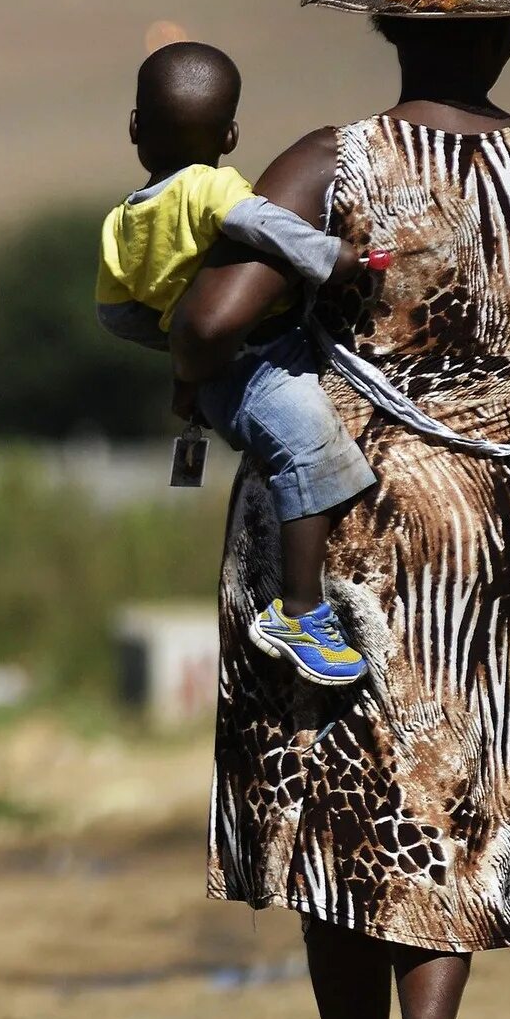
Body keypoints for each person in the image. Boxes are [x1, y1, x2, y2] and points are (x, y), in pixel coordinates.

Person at [173, 0, 510, 1019]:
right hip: (490, 513)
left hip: (349, 510)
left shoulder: (334, 161)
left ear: (396, 26)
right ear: (508, 41)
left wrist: (207, 328)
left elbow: (216, 315)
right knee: (456, 790)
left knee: (342, 798)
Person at [97, 39, 379, 686]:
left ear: (136, 128)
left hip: (216, 381)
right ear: (230, 134)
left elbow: (114, 316)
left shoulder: (121, 221)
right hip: (259, 361)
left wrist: (177, 347)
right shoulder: (212, 185)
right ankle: (300, 610)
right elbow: (262, 223)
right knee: (312, 452)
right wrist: (329, 258)